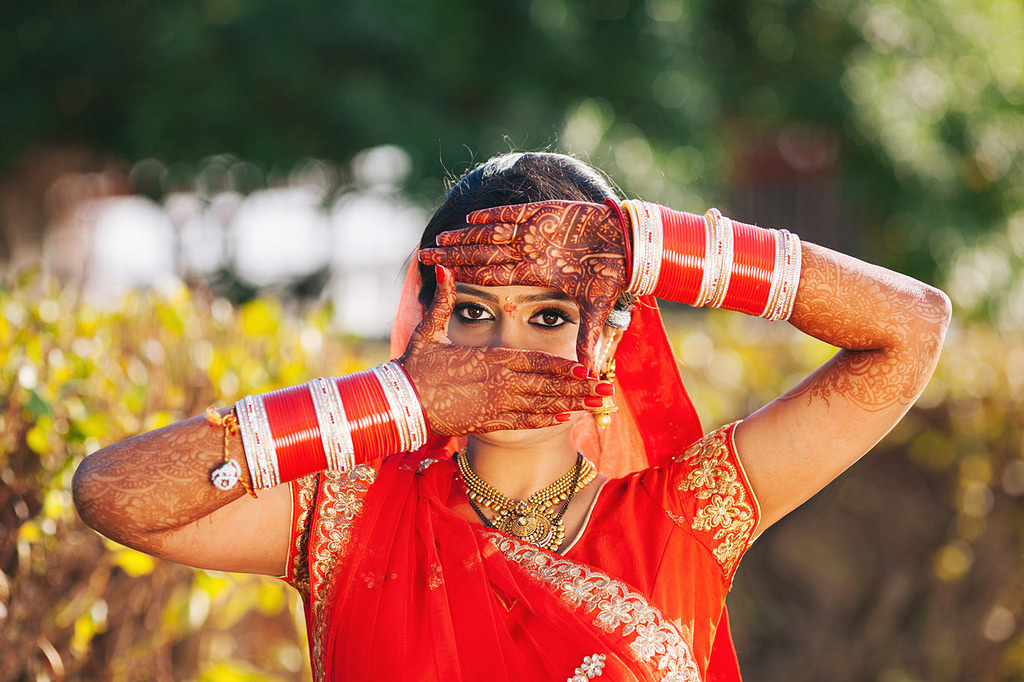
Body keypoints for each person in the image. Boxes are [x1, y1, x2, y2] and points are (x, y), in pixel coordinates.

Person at [72, 152, 951, 682]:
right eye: (473, 312)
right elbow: (112, 492)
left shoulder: (686, 513)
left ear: (607, 341)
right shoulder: (345, 520)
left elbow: (911, 330)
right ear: (427, 322)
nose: (507, 351)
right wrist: (400, 401)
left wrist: (652, 243)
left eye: (552, 315)